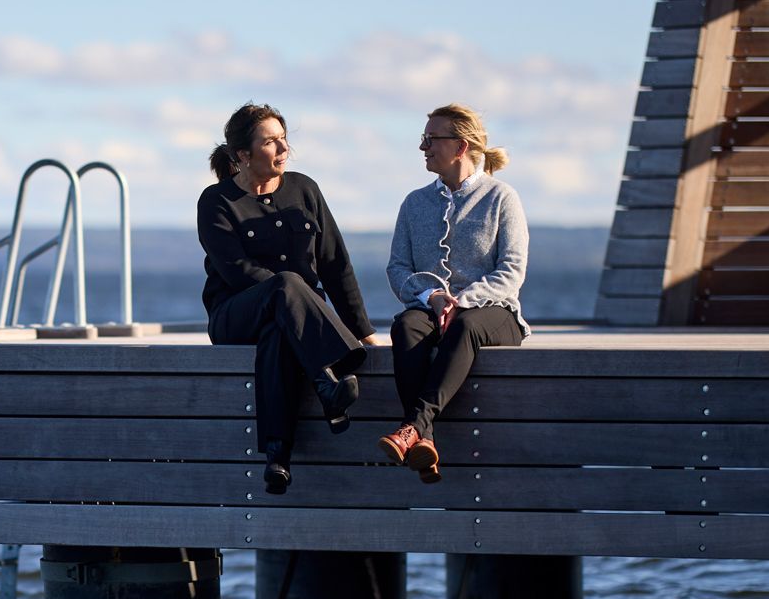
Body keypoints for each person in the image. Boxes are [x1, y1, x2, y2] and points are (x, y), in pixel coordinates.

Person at [197, 103, 373, 495]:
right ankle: (325, 379)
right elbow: (238, 273)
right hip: (234, 315)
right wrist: (296, 296)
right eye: (270, 141)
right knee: (286, 286)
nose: (282, 148)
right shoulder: (216, 201)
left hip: (295, 323)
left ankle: (278, 457)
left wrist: (363, 331)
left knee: (279, 335)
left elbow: (335, 263)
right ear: (243, 155)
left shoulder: (304, 189)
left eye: (284, 139)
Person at [380, 102, 529, 484]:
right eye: (423, 139)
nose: (423, 148)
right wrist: (431, 296)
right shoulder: (414, 203)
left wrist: (461, 302)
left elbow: (511, 271)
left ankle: (414, 426)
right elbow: (398, 269)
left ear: (460, 146)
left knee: (464, 327)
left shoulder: (502, 198)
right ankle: (424, 443)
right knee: (405, 328)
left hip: (495, 314)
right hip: (430, 307)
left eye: (431, 139)